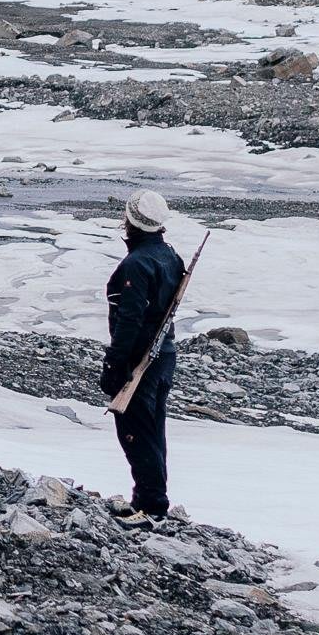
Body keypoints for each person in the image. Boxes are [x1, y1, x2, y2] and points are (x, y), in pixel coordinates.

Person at [100, 188, 188, 523]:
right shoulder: (170, 256)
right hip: (164, 354)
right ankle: (147, 499)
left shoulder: (137, 264)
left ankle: (152, 507)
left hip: (141, 361)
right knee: (153, 428)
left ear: (130, 221)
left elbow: (129, 321)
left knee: (136, 431)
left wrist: (115, 364)